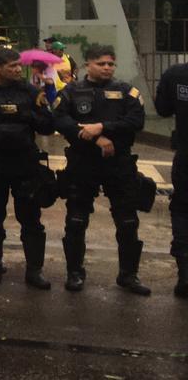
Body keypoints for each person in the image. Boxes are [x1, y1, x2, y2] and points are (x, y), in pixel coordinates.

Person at [53, 45, 148, 295]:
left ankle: (129, 275)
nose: (107, 68)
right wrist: (95, 138)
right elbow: (60, 120)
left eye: (111, 64)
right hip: (83, 163)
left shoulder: (126, 91)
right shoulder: (72, 92)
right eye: (101, 63)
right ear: (88, 65)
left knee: (128, 221)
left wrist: (102, 127)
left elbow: (136, 121)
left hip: (119, 164)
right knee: (76, 220)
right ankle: (75, 273)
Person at [0, 49, 54, 290]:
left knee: (31, 219)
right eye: (12, 66)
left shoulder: (30, 93)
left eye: (20, 65)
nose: (19, 69)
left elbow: (48, 125)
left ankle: (34, 270)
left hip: (24, 163)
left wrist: (28, 115)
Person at [154, 58, 188, 298]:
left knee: (183, 209)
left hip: (185, 155)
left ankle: (185, 275)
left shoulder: (175, 75)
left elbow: (163, 109)